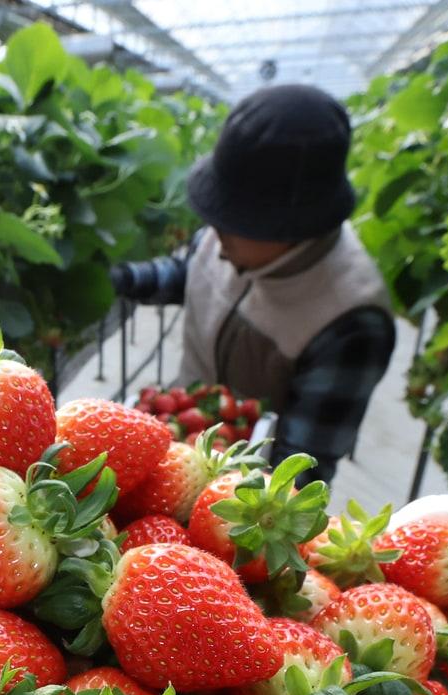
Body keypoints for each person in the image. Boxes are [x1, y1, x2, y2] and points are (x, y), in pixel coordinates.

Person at [111, 84, 395, 483]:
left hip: (242, 477)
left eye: (232, 221)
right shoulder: (229, 237)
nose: (215, 232)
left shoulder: (351, 319)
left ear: (289, 228)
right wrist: (122, 280)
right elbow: (188, 273)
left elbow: (300, 467)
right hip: (183, 429)